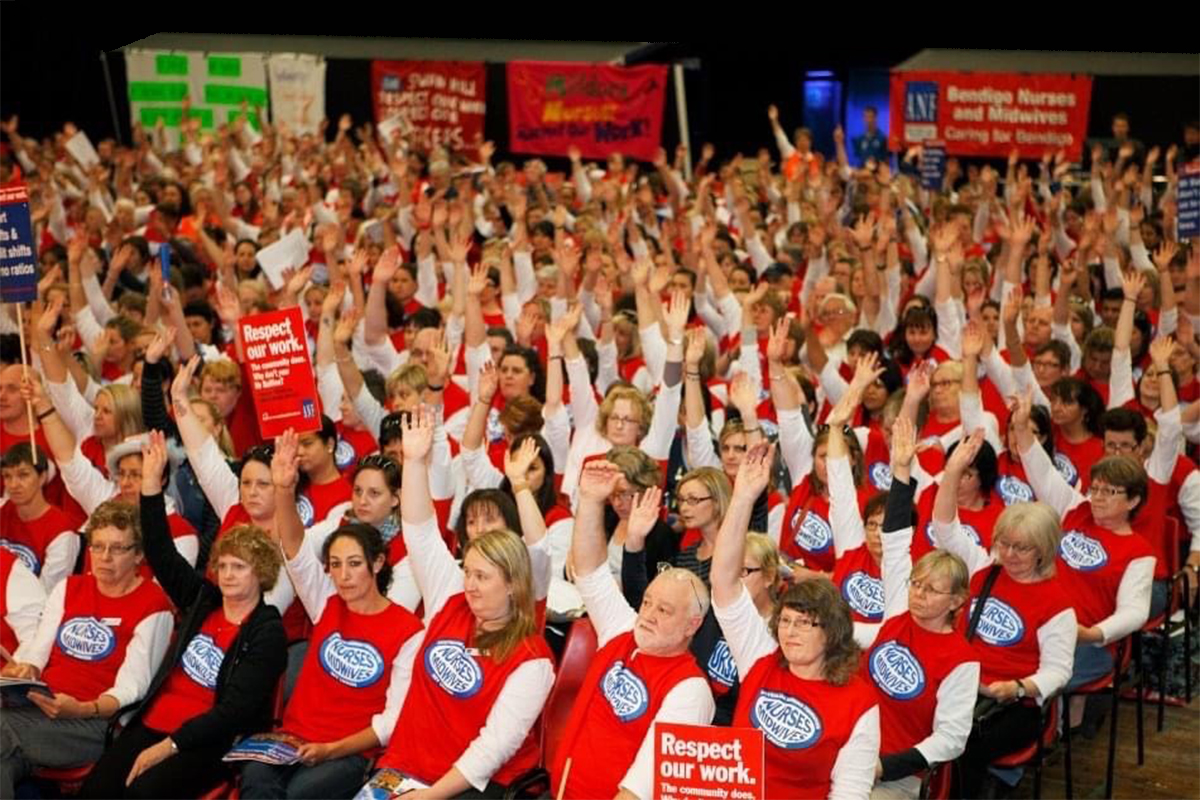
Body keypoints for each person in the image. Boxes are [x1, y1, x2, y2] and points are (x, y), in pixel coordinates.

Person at [362, 406, 554, 797]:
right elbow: (419, 530)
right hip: (405, 765)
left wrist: (428, 797)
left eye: (482, 577)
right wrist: (414, 463)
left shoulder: (533, 660)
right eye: (468, 571)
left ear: (514, 584)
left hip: (472, 785)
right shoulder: (451, 596)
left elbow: (491, 749)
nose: (470, 585)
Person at [236, 433, 424, 800]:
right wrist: (283, 489)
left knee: (298, 796)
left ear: (378, 563)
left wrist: (330, 750)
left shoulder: (408, 630)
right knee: (256, 779)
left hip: (349, 753)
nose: (344, 575)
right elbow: (294, 549)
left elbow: (387, 727)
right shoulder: (326, 602)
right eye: (335, 565)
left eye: (354, 564)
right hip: (292, 740)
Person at [710, 439, 880, 798]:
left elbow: (850, 793)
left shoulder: (859, 703)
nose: (790, 632)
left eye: (804, 624)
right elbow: (724, 581)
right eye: (786, 621)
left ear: (832, 632)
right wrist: (742, 498)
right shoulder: (760, 658)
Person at [550, 459, 715, 799]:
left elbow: (641, 789)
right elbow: (589, 571)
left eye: (665, 610)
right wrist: (592, 501)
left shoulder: (690, 690)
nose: (649, 614)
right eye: (648, 602)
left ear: (692, 625)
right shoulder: (623, 629)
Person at [928, 425, 1077, 799]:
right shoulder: (984, 568)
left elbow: (1059, 672)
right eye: (1004, 544)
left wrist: (1018, 687)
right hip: (962, 684)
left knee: (964, 742)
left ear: (1043, 551)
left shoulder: (1057, 604)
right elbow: (945, 527)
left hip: (1011, 703)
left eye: (1021, 548)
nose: (1008, 554)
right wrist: (953, 471)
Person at [0, 501, 174, 799]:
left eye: (117, 548)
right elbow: (38, 652)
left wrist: (83, 708)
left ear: (139, 555)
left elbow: (132, 688)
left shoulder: (153, 605)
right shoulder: (69, 588)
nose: (105, 557)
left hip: (94, 724)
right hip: (40, 709)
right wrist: (25, 669)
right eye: (98, 546)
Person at [863, 414, 980, 799]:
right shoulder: (899, 610)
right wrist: (900, 469)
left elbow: (950, 739)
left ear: (957, 601)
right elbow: (896, 538)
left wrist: (889, 765)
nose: (917, 594)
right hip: (845, 748)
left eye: (931, 590)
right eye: (915, 584)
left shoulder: (962, 660)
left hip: (895, 774)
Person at [0, 442, 80, 592]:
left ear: (42, 477)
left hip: (30, 610)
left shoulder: (62, 531)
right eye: (7, 476)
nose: (13, 484)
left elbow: (45, 596)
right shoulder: (2, 509)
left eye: (23, 475)